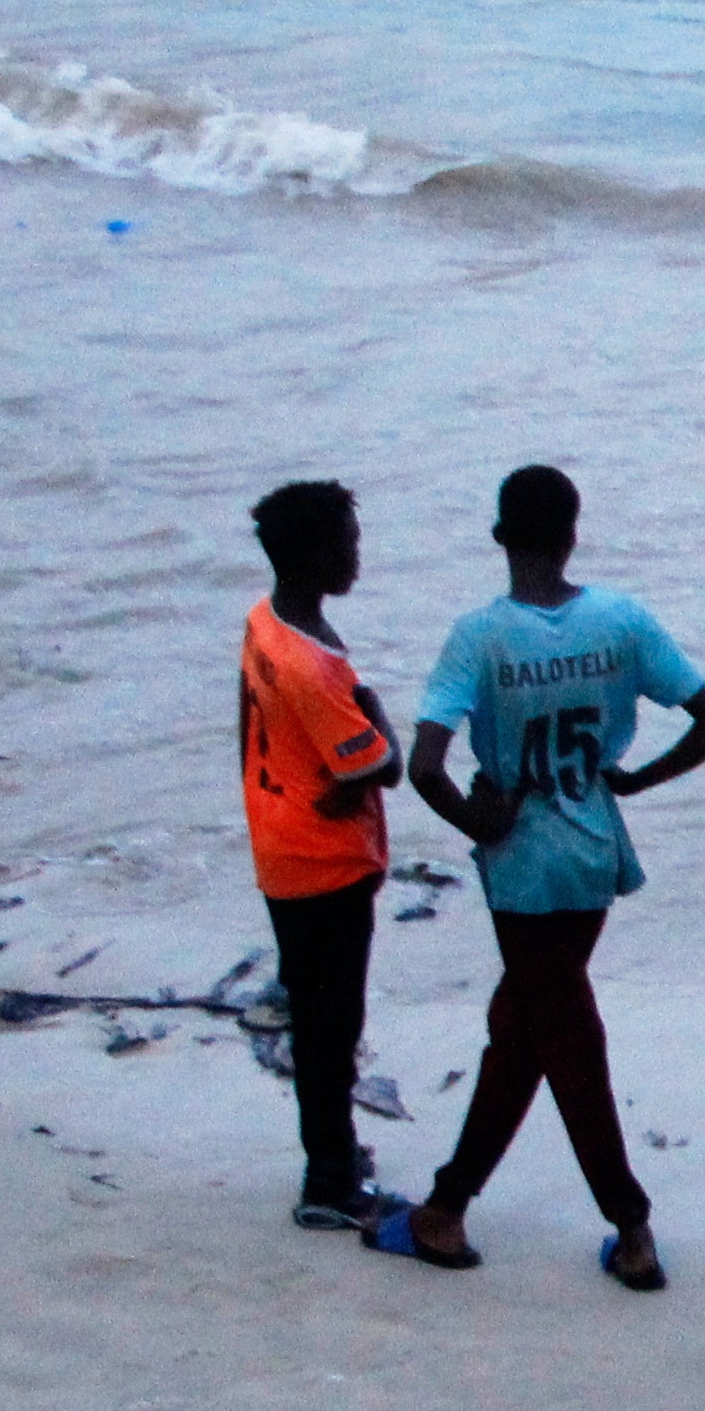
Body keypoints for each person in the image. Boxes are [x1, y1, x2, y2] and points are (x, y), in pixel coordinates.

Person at [376, 465, 705, 1280]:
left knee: (563, 1037)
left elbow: (425, 767)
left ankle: (626, 1225)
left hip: (523, 867)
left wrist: (479, 821)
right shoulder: (621, 618)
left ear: (499, 536)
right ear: (573, 535)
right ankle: (447, 1205)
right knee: (526, 1026)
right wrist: (635, 781)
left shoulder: (479, 636)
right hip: (593, 851)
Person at [238, 480, 406, 1234]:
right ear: (314, 556)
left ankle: (332, 1151)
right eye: (347, 543)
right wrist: (378, 718)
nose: (356, 555)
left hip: (280, 841)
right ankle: (329, 1180)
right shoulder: (313, 666)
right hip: (324, 864)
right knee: (332, 1025)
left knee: (317, 1015)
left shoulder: (265, 623)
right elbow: (380, 766)